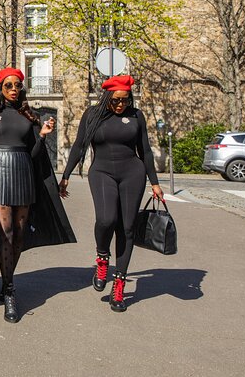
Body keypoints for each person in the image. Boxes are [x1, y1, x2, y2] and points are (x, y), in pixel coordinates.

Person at [0, 67, 76, 323]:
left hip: (23, 171)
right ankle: (9, 290)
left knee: (18, 232)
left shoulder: (29, 115)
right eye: (9, 85)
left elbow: (35, 154)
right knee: (5, 231)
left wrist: (41, 137)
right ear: (0, 88)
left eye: (18, 86)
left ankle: (7, 279)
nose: (14, 90)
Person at [59, 74, 164, 312]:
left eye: (125, 100)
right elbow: (78, 145)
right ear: (107, 97)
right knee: (106, 219)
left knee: (127, 228)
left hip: (132, 173)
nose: (120, 105)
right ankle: (102, 257)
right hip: (102, 172)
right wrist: (65, 175)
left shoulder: (136, 116)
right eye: (116, 100)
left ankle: (119, 284)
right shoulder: (92, 114)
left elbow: (145, 151)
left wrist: (155, 182)